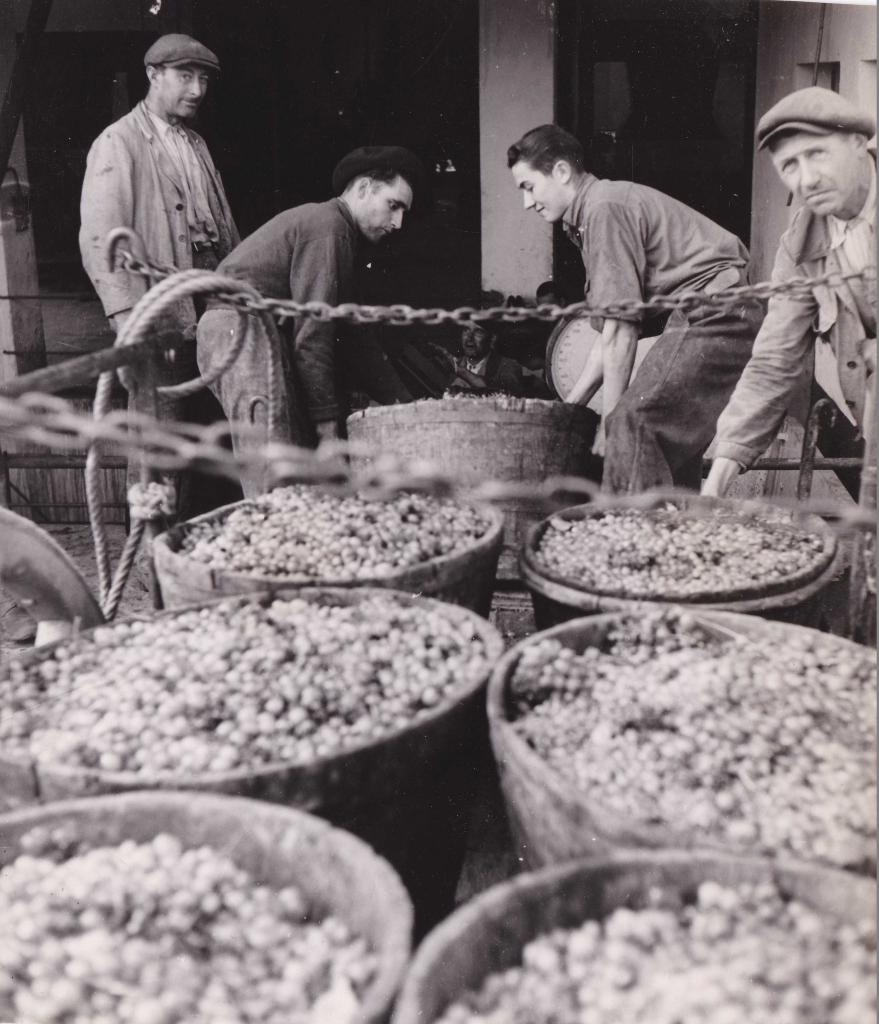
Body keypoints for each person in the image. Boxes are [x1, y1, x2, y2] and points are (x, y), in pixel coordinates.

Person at [507, 124, 762, 493]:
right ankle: (674, 531)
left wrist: (611, 426)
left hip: (719, 313)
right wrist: (569, 411)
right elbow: (608, 335)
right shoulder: (590, 213)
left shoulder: (604, 209)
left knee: (633, 424)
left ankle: (638, 534)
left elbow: (622, 333)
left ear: (561, 172)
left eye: (528, 187)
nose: (527, 203)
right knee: (662, 438)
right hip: (706, 313)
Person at [79, 33, 240, 511]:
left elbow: (222, 227)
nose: (196, 90)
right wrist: (125, 317)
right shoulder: (118, 141)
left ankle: (191, 557)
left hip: (209, 316)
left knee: (208, 444)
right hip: (159, 318)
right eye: (185, 77)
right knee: (158, 446)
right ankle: (152, 561)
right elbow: (100, 237)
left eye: (204, 79)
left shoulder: (196, 143)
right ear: (153, 75)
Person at [196, 145, 424, 463]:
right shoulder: (329, 228)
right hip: (239, 327)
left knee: (291, 462)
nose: (397, 223)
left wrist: (410, 407)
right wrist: (328, 433)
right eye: (393, 205)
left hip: (248, 331)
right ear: (363, 188)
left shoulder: (339, 236)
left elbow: (357, 338)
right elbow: (313, 338)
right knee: (276, 465)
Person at [703, 87, 875, 498]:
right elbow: (773, 362)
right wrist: (717, 482)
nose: (806, 179)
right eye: (789, 165)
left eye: (817, 154)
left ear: (857, 143)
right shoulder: (801, 245)